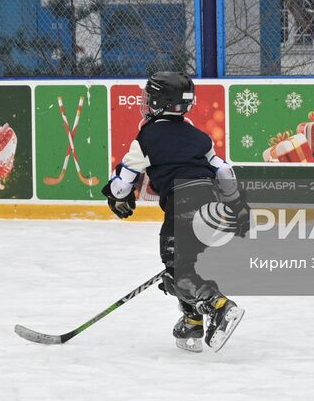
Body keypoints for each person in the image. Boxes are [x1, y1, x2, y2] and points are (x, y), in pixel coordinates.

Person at [102, 72, 249, 353]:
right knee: (181, 268)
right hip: (211, 209)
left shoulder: (146, 137)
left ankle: (219, 305)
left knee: (178, 271)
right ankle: (192, 322)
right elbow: (224, 171)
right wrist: (237, 207)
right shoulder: (198, 137)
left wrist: (116, 197)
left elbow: (122, 184)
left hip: (182, 206)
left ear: (157, 102)